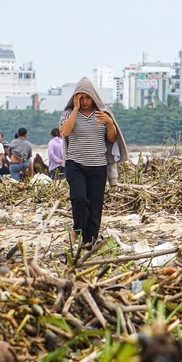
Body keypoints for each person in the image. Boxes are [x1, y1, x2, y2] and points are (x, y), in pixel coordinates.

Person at [60, 77, 129, 248]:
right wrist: (75, 109)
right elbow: (65, 132)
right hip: (75, 163)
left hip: (98, 165)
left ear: (93, 97)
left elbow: (111, 138)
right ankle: (77, 230)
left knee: (95, 204)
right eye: (80, 98)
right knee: (79, 199)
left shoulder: (103, 113)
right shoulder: (68, 113)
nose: (84, 101)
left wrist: (110, 123)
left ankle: (89, 242)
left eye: (87, 97)